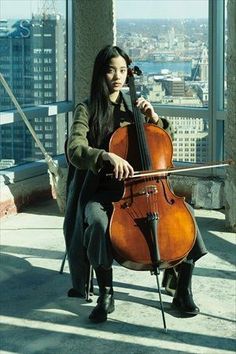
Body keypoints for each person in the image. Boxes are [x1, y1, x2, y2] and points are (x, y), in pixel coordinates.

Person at [63, 45, 207, 323]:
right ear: (100, 74)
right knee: (97, 223)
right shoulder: (87, 108)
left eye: (121, 70)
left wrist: (152, 118)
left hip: (140, 190)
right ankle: (107, 292)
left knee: (185, 216)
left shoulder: (133, 108)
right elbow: (75, 148)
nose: (117, 76)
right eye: (110, 70)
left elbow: (163, 140)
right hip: (103, 191)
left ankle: (183, 289)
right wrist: (103, 155)